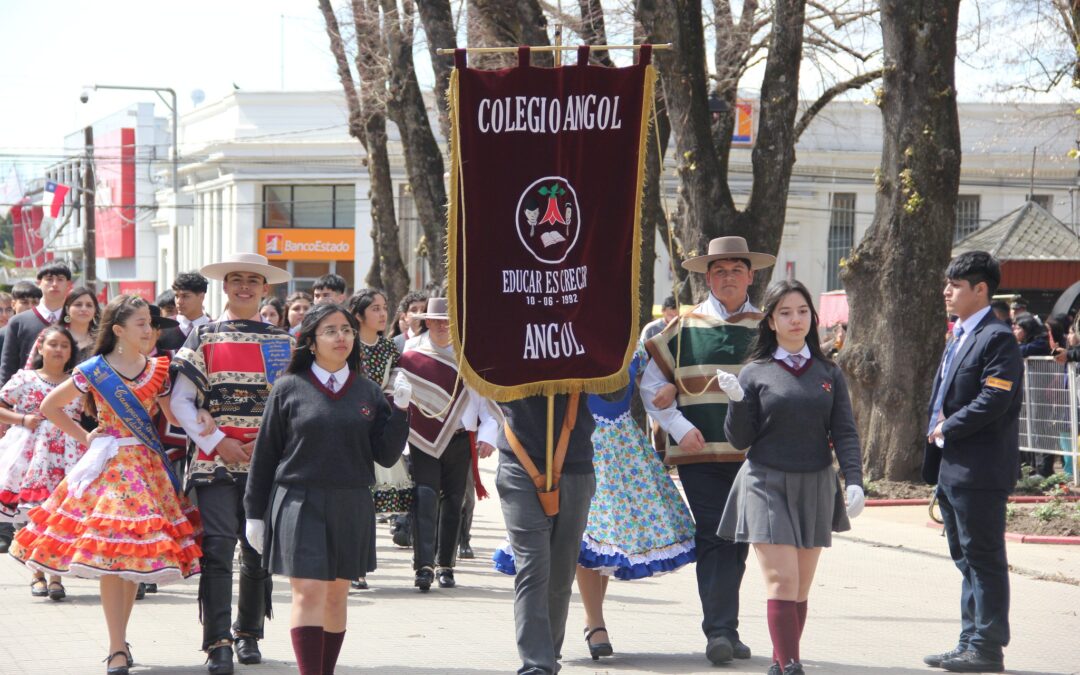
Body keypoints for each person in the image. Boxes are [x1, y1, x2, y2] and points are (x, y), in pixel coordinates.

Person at [9, 295, 202, 675]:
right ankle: (116, 646)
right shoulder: (93, 370)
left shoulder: (159, 369)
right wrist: (85, 437)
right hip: (111, 467)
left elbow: (175, 417)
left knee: (132, 558)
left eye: (151, 323)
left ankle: (120, 639)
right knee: (114, 557)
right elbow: (50, 406)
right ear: (118, 330)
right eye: (142, 324)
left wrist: (204, 418)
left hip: (148, 469)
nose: (150, 330)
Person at [244, 302, 410, 675]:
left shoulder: (367, 391)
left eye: (348, 330)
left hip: (351, 501)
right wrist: (254, 514)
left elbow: (385, 455)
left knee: (337, 595)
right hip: (299, 500)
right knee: (309, 591)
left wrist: (400, 410)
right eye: (331, 331)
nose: (342, 338)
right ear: (311, 341)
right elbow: (265, 454)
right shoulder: (289, 388)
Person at [717, 280, 864, 675]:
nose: (795, 319)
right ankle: (792, 664)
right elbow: (739, 439)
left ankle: (783, 664)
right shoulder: (754, 372)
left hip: (815, 482)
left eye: (802, 311)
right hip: (765, 481)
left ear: (813, 319)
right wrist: (735, 402)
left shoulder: (829, 371)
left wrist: (854, 480)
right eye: (785, 312)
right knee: (782, 581)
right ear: (769, 322)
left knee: (799, 587)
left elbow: (845, 431)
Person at [640, 235, 774, 666]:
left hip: (754, 458)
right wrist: (679, 426)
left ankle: (727, 628)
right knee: (716, 535)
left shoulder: (767, 327)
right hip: (700, 455)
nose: (728, 277)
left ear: (750, 275)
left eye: (736, 269)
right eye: (719, 270)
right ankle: (718, 631)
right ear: (707, 278)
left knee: (738, 541)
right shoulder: (681, 329)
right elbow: (650, 387)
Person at [170, 253, 294, 674]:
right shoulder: (203, 336)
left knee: (257, 549)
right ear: (225, 286)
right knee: (220, 547)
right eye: (236, 279)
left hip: (267, 461)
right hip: (214, 461)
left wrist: (270, 441)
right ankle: (218, 640)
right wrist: (218, 440)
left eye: (252, 280)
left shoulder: (284, 341)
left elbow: (292, 403)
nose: (244, 286)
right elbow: (181, 401)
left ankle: (249, 632)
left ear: (265, 288)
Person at [923, 251, 1022, 674]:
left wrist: (948, 428)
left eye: (956, 285)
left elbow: (995, 397)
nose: (947, 291)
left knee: (983, 559)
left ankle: (987, 646)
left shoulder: (997, 337)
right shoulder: (961, 333)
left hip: (979, 468)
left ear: (981, 290)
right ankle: (969, 640)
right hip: (953, 468)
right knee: (966, 560)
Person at [392, 298, 498, 591]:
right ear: (426, 321)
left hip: (461, 437)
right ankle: (423, 566)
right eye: (436, 320)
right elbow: (401, 396)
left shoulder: (470, 356)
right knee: (424, 498)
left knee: (454, 502)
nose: (442, 326)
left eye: (447, 320)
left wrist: (488, 436)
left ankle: (446, 565)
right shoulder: (412, 353)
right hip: (422, 437)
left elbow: (487, 403)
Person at [0, 326, 86, 600]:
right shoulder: (24, 378)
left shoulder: (76, 382)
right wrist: (22, 419)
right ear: (40, 348)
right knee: (33, 515)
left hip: (67, 456)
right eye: (53, 344)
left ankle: (56, 576)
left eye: (64, 345)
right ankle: (37, 574)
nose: (59, 350)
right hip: (30, 455)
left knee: (59, 517)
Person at [348, 288, 410, 590]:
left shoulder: (388, 348)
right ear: (359, 315)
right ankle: (349, 564)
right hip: (347, 426)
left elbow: (395, 383)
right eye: (374, 308)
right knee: (351, 499)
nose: (383, 313)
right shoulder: (346, 344)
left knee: (367, 503)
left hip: (376, 426)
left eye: (385, 307)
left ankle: (360, 566)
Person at [0, 281, 42, 554]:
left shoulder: (40, 330)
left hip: (30, 409)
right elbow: (5, 369)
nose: (26, 307)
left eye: (31, 302)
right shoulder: (10, 331)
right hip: (12, 405)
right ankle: (7, 531)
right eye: (21, 302)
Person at [0, 262, 73, 388]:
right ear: (39, 283)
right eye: (49, 279)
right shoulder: (18, 322)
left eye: (60, 279)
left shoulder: (76, 320)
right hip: (26, 397)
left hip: (70, 397)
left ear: (68, 285)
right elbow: (8, 368)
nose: (54, 284)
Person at [158, 272, 210, 352]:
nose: (179, 301)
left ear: (201, 296)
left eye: (185, 296)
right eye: (177, 296)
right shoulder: (163, 328)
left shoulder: (215, 329)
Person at [60, 286, 101, 362]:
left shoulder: (101, 341)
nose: (84, 309)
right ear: (67, 309)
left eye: (89, 305)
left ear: (95, 310)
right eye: (78, 304)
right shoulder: (56, 337)